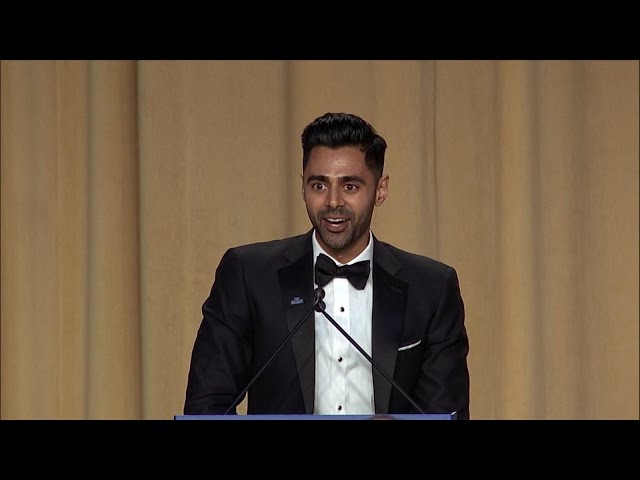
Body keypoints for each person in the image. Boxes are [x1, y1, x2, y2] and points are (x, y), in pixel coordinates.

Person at [184, 112, 470, 419]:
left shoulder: (432, 289)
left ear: (381, 189)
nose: (333, 202)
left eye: (350, 187)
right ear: (303, 186)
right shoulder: (248, 275)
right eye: (319, 185)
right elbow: (206, 408)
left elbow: (446, 413)